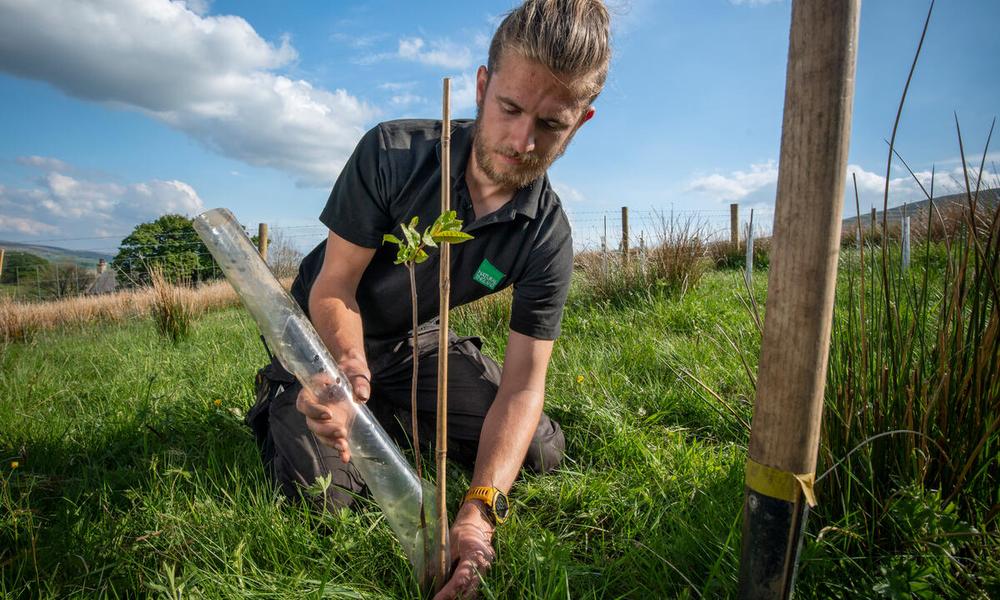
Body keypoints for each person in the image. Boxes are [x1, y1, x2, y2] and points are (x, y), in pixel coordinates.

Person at [247, 1, 611, 597]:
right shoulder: (392, 154)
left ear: (581, 122)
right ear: (481, 85)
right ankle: (285, 393)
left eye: (551, 125)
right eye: (511, 108)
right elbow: (333, 286)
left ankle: (391, 410)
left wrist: (480, 509)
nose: (523, 141)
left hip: (416, 344)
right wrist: (342, 369)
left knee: (541, 448)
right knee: (327, 500)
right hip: (328, 338)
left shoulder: (546, 234)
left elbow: (523, 384)